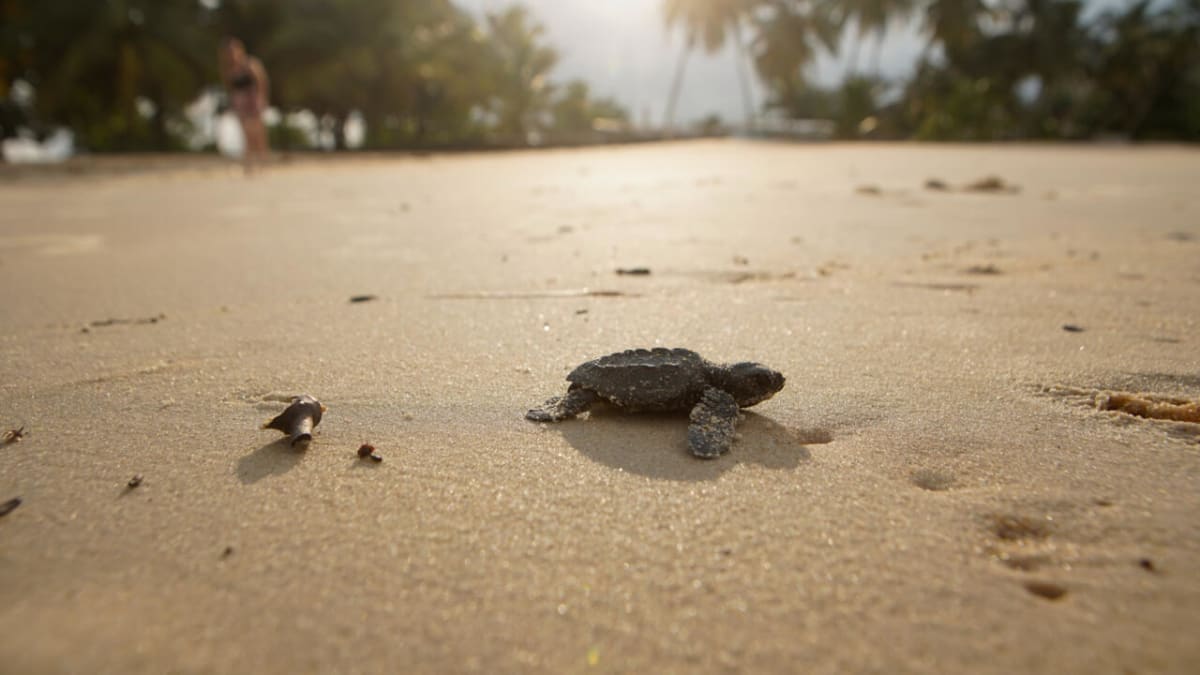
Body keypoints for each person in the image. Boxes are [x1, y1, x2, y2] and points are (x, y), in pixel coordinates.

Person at [218, 38, 270, 172]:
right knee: (246, 132)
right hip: (239, 101)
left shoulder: (250, 64)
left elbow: (261, 81)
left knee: (257, 132)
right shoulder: (229, 69)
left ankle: (262, 161)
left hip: (253, 99)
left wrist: (261, 98)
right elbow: (230, 87)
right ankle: (250, 162)